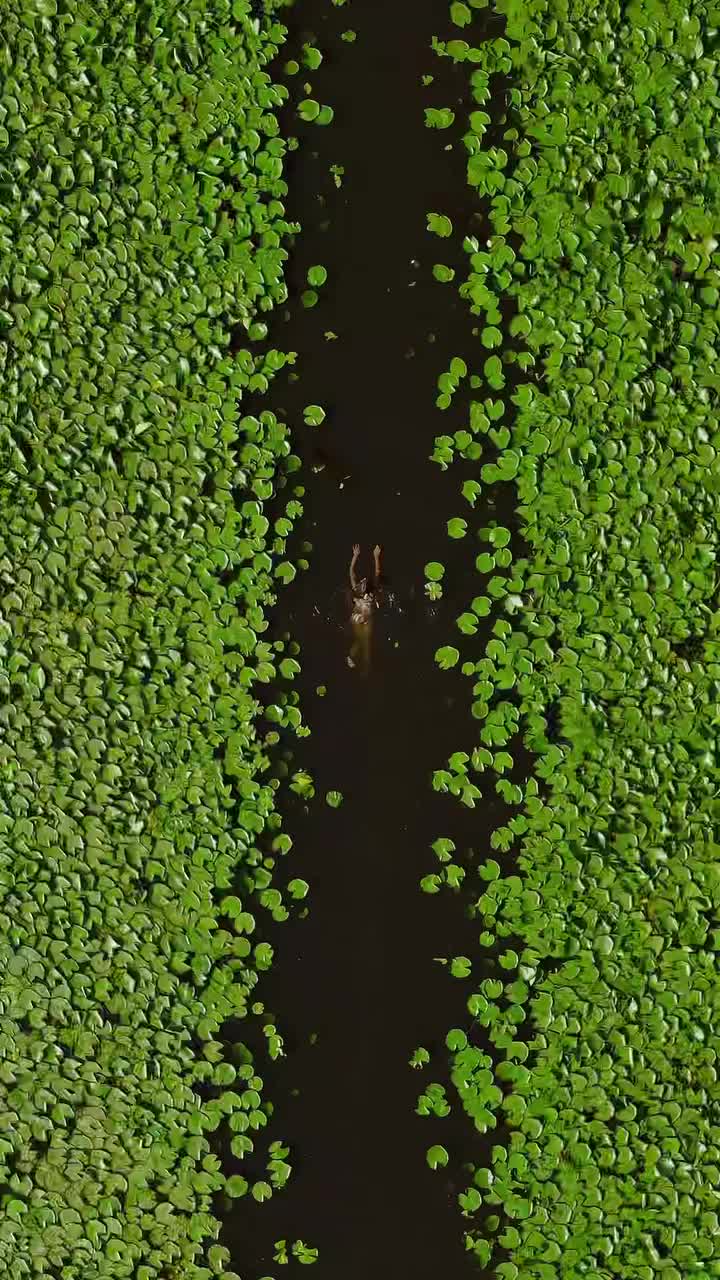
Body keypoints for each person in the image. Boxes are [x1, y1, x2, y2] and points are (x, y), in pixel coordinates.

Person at [347, 543, 382, 672]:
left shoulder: (356, 590)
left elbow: (351, 571)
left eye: (363, 581)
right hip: (365, 618)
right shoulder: (372, 594)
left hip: (356, 617)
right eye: (363, 581)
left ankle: (351, 657)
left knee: (360, 639)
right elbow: (377, 572)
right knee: (366, 643)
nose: (364, 580)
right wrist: (376, 556)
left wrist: (355, 556)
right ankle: (366, 667)